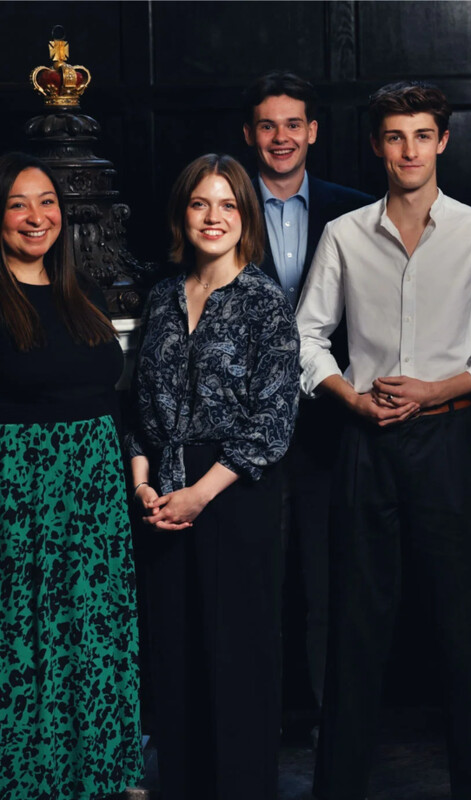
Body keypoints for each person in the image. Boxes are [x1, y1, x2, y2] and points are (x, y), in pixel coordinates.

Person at [296, 81, 471, 800]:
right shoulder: (344, 234)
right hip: (364, 443)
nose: (409, 150)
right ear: (377, 145)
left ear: (442, 142)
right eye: (395, 137)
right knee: (355, 627)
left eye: (422, 135)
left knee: (464, 630)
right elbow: (305, 336)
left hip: (449, 440)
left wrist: (436, 390)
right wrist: (349, 398)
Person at [127, 153, 299, 800]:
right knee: (175, 656)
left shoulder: (265, 301)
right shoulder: (162, 297)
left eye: (228, 204)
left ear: (246, 216)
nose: (213, 217)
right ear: (183, 213)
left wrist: (200, 494)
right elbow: (140, 411)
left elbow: (273, 420)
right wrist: (142, 484)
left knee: (237, 656)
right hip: (163, 489)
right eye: (201, 203)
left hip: (233, 490)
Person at [0, 152, 142, 798]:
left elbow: (111, 396)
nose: (37, 217)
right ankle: (32, 778)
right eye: (18, 204)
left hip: (94, 491)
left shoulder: (79, 288)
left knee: (95, 630)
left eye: (47, 202)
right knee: (27, 634)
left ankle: (100, 773)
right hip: (21, 491)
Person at [243, 70, 373, 712]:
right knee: (255, 584)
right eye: (268, 125)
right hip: (243, 428)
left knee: (329, 583)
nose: (281, 137)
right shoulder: (220, 207)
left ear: (313, 131)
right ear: (249, 134)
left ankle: (328, 723)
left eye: (293, 124)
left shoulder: (356, 210)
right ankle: (255, 724)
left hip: (331, 424)